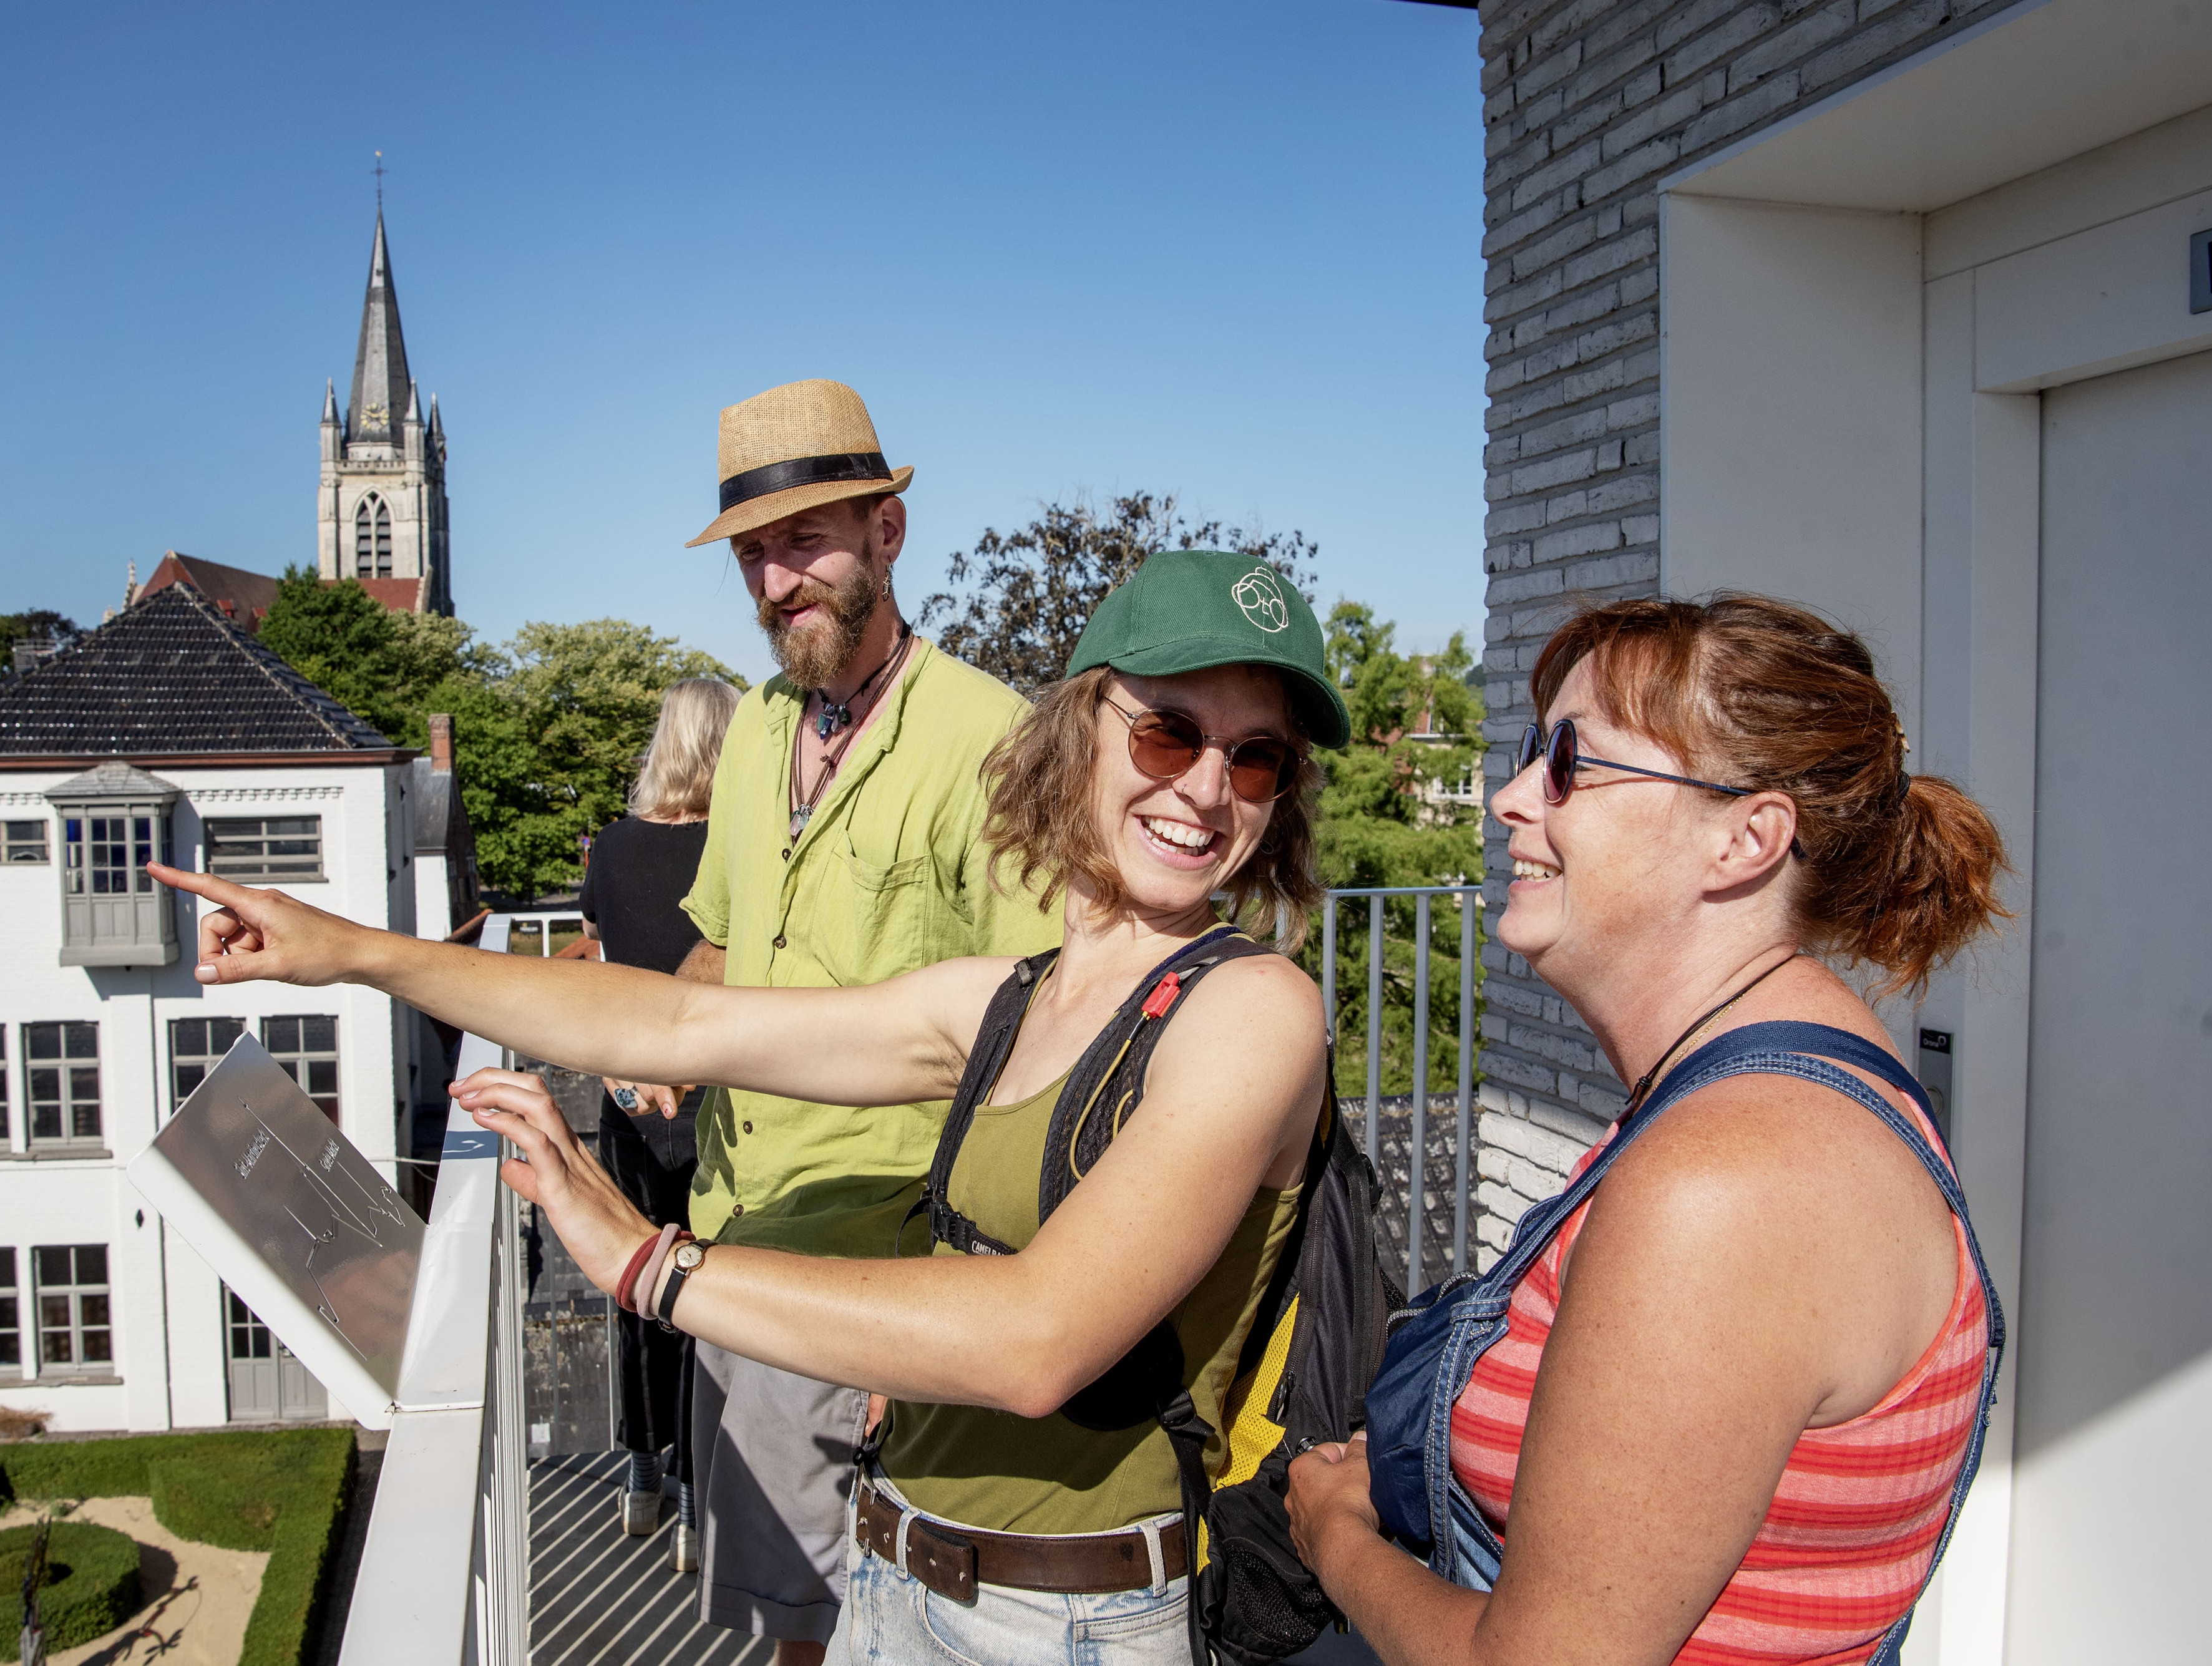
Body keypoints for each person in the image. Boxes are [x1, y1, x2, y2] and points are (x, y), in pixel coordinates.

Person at [151, 549, 1353, 1666]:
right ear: (1081, 728)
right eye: (1169, 733)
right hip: (898, 1572)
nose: (1208, 787)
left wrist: (648, 1261)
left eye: (1257, 759)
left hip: (1074, 1618)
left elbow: (1037, 1337)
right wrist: (355, 951)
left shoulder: (1251, 1012)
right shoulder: (1011, 999)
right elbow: (681, 1025)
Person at [1284, 594, 2010, 1666]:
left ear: (1746, 837)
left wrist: (1334, 1531)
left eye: (1571, 761)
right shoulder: (1758, 1097)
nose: (1510, 798)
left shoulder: (1732, 1181)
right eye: (1535, 750)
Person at [629, 378, 1061, 1660]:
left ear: (887, 532)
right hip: (726, 1232)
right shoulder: (757, 726)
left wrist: (929, 1321)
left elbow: (1040, 1053)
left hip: (864, 1262)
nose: (774, 584)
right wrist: (648, 1047)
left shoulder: (989, 742)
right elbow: (717, 938)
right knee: (786, 1610)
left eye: (803, 541)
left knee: (823, 1626)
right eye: (754, 555)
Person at [580, 676, 741, 1564]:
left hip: (628, 1103)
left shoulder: (609, 848)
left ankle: (642, 1468)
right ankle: (694, 1491)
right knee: (703, 1288)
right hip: (718, 1103)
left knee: (635, 1286)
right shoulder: (740, 853)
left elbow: (603, 954)